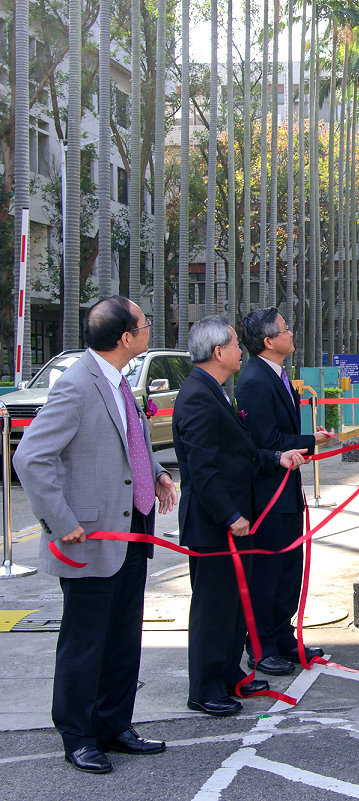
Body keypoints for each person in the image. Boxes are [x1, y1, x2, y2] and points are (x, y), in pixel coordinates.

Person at [14, 297, 177, 774]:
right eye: (144, 324)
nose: (148, 329)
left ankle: (114, 726)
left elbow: (130, 442)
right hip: (88, 537)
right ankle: (79, 736)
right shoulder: (77, 384)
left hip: (131, 530)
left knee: (123, 637)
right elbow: (31, 457)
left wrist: (157, 474)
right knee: (86, 641)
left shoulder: (119, 380)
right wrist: (61, 521)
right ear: (125, 337)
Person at [173, 317, 307, 717]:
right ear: (218, 352)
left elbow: (242, 451)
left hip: (235, 521)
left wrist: (277, 457)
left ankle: (229, 674)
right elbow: (202, 468)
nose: (239, 351)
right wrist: (230, 514)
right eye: (234, 344)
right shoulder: (197, 396)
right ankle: (205, 689)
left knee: (234, 605)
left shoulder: (215, 390)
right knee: (214, 608)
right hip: (214, 525)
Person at [235, 308, 336, 675]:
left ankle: (282, 637)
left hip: (287, 493)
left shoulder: (276, 375)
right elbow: (265, 442)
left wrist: (309, 440)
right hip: (267, 498)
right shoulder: (254, 381)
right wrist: (311, 441)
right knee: (267, 573)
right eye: (284, 329)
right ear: (268, 341)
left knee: (288, 571)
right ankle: (260, 647)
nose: (291, 333)